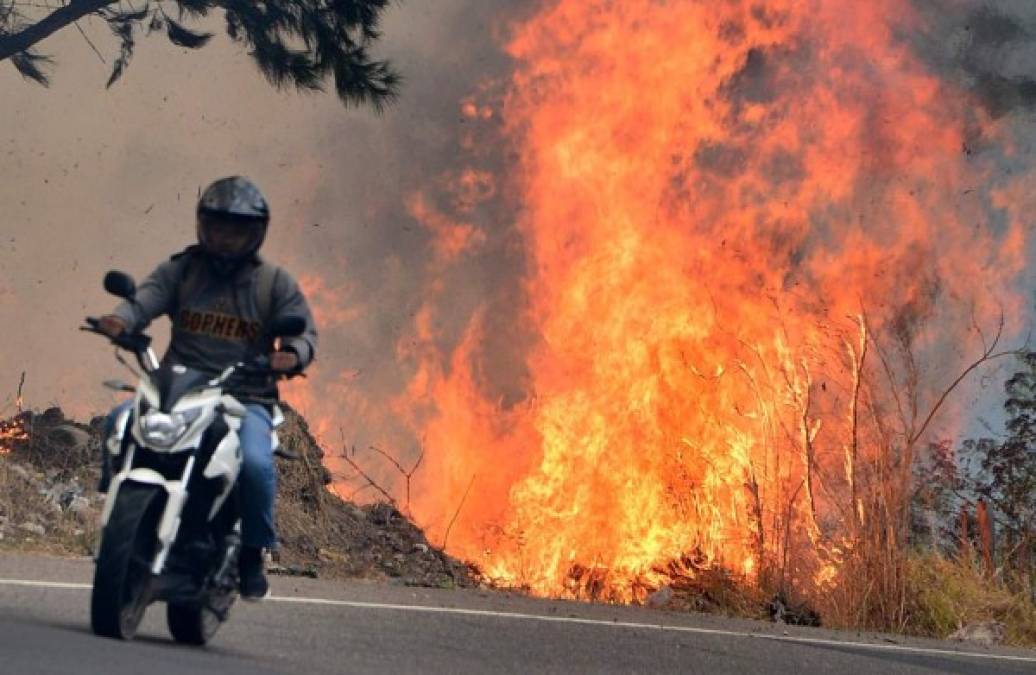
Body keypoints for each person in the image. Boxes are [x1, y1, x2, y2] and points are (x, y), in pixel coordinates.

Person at [96, 176, 318, 600]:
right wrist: (121, 320)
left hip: (245, 396)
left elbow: (303, 332)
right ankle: (120, 516)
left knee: (255, 464)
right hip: (180, 386)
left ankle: (253, 551)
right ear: (203, 225)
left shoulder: (273, 283)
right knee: (116, 421)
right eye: (217, 227)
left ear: (255, 233)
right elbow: (145, 298)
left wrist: (291, 354)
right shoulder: (183, 269)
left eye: (236, 229)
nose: (225, 237)